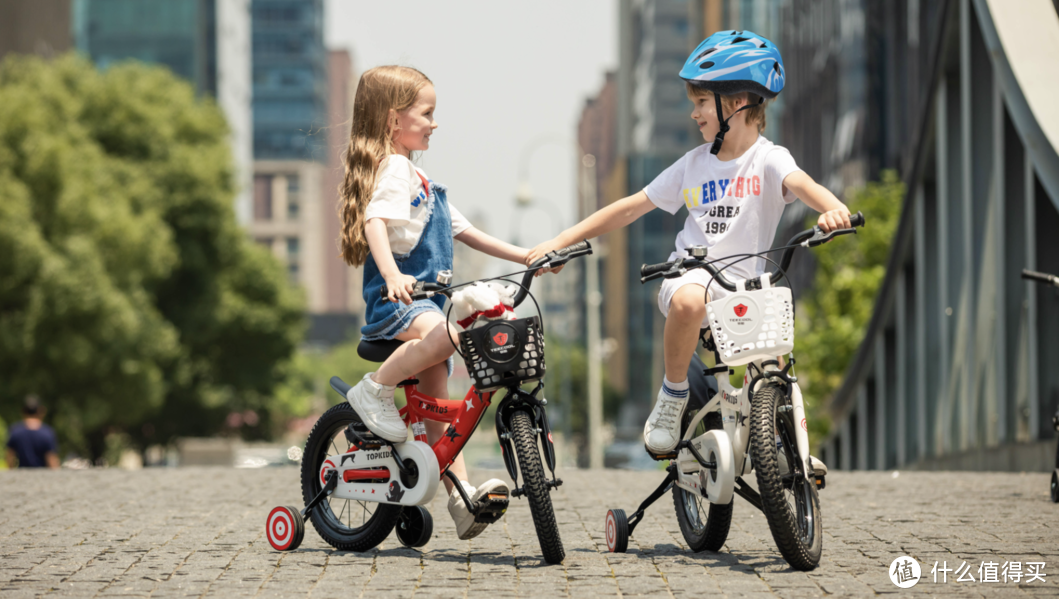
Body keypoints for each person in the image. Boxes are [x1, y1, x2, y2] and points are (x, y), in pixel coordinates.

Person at [526, 30, 851, 456]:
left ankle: (786, 445)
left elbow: (802, 184)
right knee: (688, 303)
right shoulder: (692, 165)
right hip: (691, 273)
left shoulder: (769, 158)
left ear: (735, 104)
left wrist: (833, 208)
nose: (694, 114)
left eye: (701, 103)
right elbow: (630, 207)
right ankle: (673, 394)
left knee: (772, 363)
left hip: (747, 284)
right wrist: (563, 238)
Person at [338, 65, 530, 540]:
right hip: (398, 303)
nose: (434, 122)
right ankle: (374, 388)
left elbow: (467, 232)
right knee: (447, 334)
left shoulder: (421, 179)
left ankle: (460, 496)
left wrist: (529, 256)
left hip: (424, 306)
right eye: (426, 113)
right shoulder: (395, 168)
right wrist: (392, 275)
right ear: (392, 120)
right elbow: (374, 223)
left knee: (438, 404)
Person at [5, 395, 60, 469]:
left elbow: (10, 458)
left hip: (22, 475)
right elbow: (51, 460)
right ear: (40, 411)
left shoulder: (15, 431)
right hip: (43, 476)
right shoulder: (47, 432)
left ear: (23, 411)